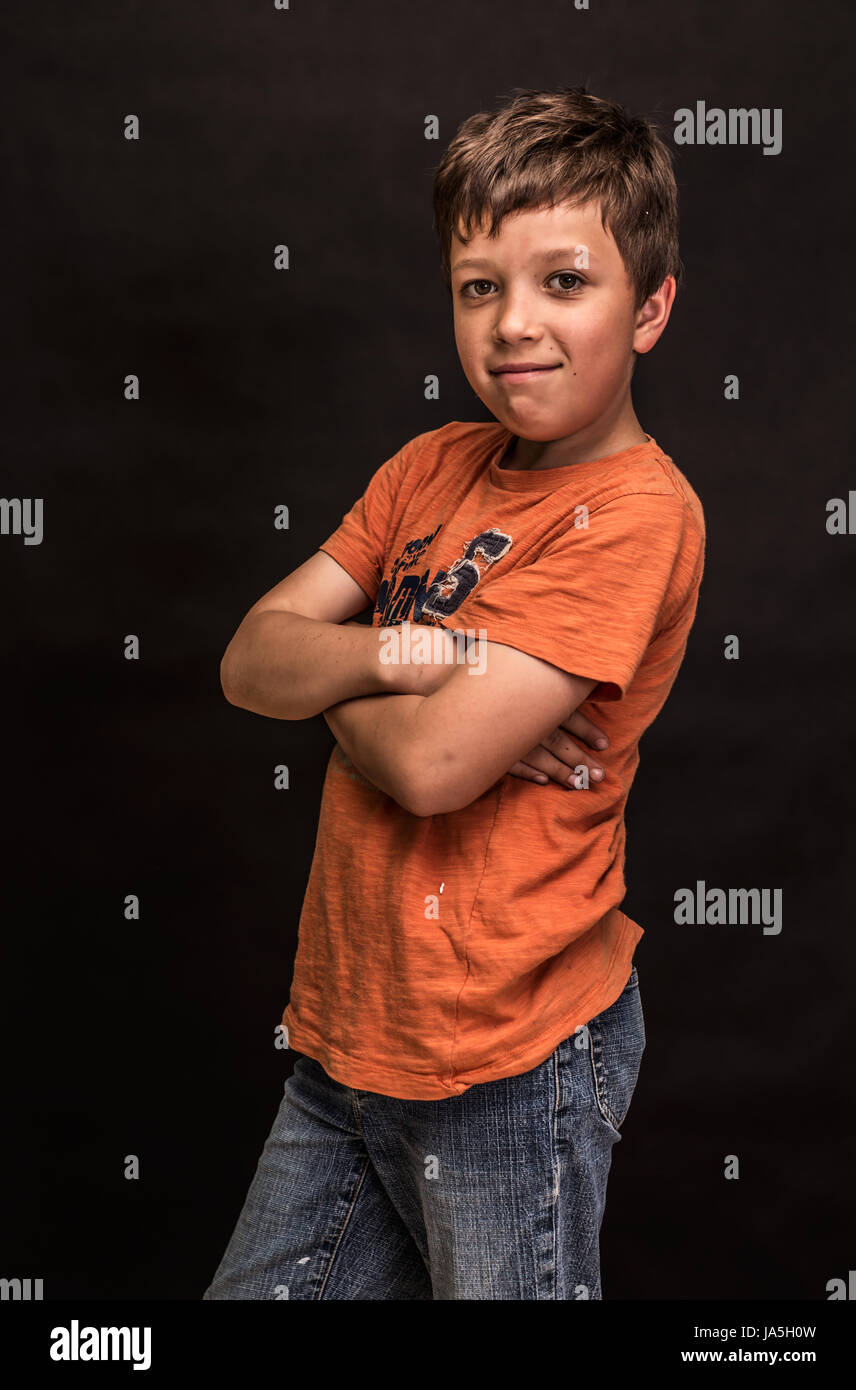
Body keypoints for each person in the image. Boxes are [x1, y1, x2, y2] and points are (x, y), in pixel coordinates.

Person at [203, 85, 705, 1301]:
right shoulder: (431, 464)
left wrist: (349, 654)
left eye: (562, 283)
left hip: (507, 1055)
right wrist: (409, 655)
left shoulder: (637, 514)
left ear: (648, 308)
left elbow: (433, 772)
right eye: (479, 285)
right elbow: (245, 659)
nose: (512, 324)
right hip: (348, 1031)